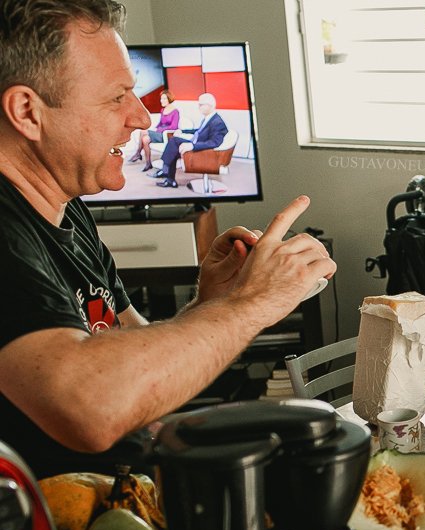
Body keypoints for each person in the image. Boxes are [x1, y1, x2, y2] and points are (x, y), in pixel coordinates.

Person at [0, 0, 335, 478]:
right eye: (117, 97)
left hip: (129, 487)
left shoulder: (66, 205)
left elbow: (134, 361)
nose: (142, 117)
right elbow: (91, 409)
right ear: (27, 112)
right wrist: (253, 304)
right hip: (60, 517)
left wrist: (215, 303)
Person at [149, 91, 226, 188]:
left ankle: (166, 171)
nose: (199, 107)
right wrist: (182, 131)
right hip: (197, 144)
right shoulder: (210, 118)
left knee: (173, 145)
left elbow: (214, 142)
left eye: (201, 105)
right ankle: (168, 176)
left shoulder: (217, 122)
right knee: (173, 142)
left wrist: (192, 146)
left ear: (209, 106)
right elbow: (199, 131)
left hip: (203, 152)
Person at [128, 89, 178, 172]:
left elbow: (173, 127)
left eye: (164, 99)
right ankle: (148, 163)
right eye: (161, 98)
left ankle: (138, 153)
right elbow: (160, 123)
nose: (161, 101)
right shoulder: (163, 110)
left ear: (169, 99)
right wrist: (155, 128)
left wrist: (159, 129)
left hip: (166, 135)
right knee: (145, 139)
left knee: (143, 131)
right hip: (159, 133)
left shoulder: (175, 112)